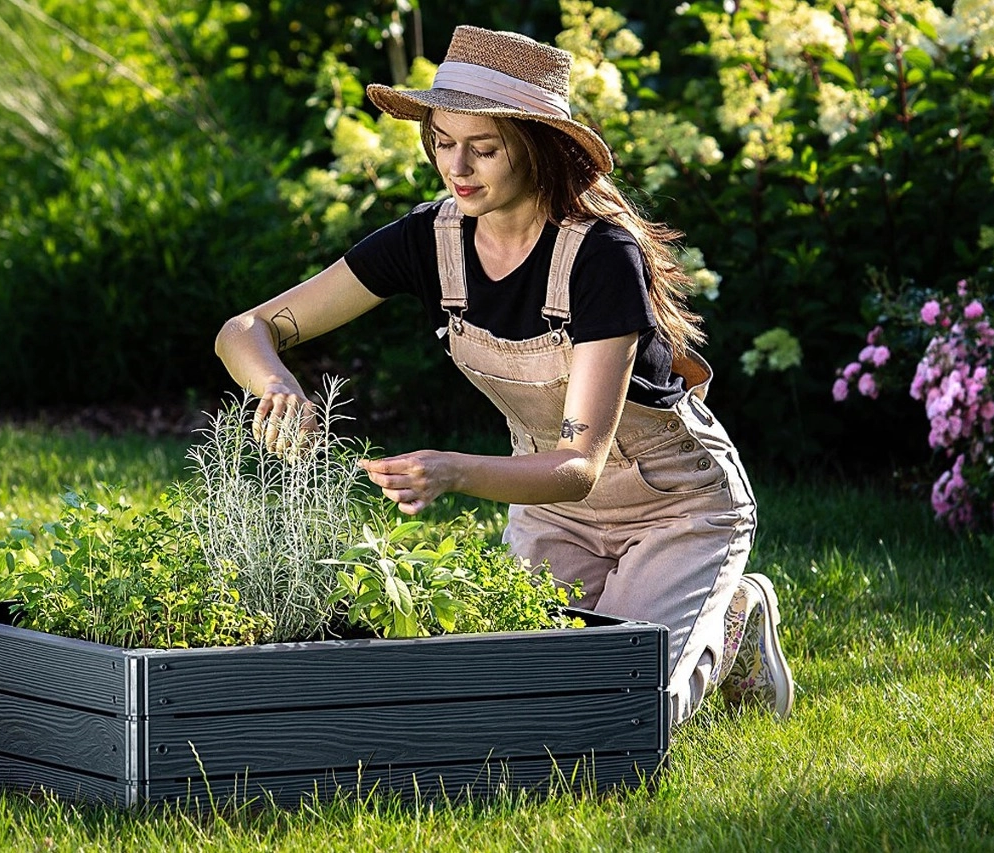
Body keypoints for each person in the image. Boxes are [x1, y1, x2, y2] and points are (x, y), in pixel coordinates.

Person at [215, 25, 793, 725]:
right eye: (441, 141)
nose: (457, 167)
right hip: (551, 512)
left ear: (537, 147)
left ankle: (731, 615)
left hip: (675, 507)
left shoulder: (601, 257)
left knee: (617, 715)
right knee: (512, 704)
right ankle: (696, 616)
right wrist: (276, 385)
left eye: (484, 148)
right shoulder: (428, 242)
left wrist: (451, 471)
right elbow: (245, 329)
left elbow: (579, 462)